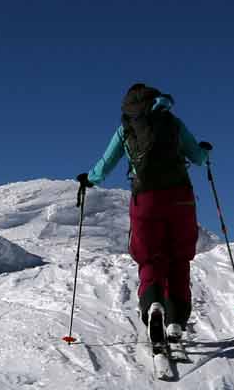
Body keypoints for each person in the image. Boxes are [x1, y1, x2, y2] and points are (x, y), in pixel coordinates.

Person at [77, 83, 212, 345]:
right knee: (179, 258)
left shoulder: (126, 128)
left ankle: (153, 306)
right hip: (180, 198)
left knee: (150, 258)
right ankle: (176, 321)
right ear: (156, 99)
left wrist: (89, 179)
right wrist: (205, 151)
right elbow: (197, 157)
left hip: (146, 198)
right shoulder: (172, 121)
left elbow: (105, 165)